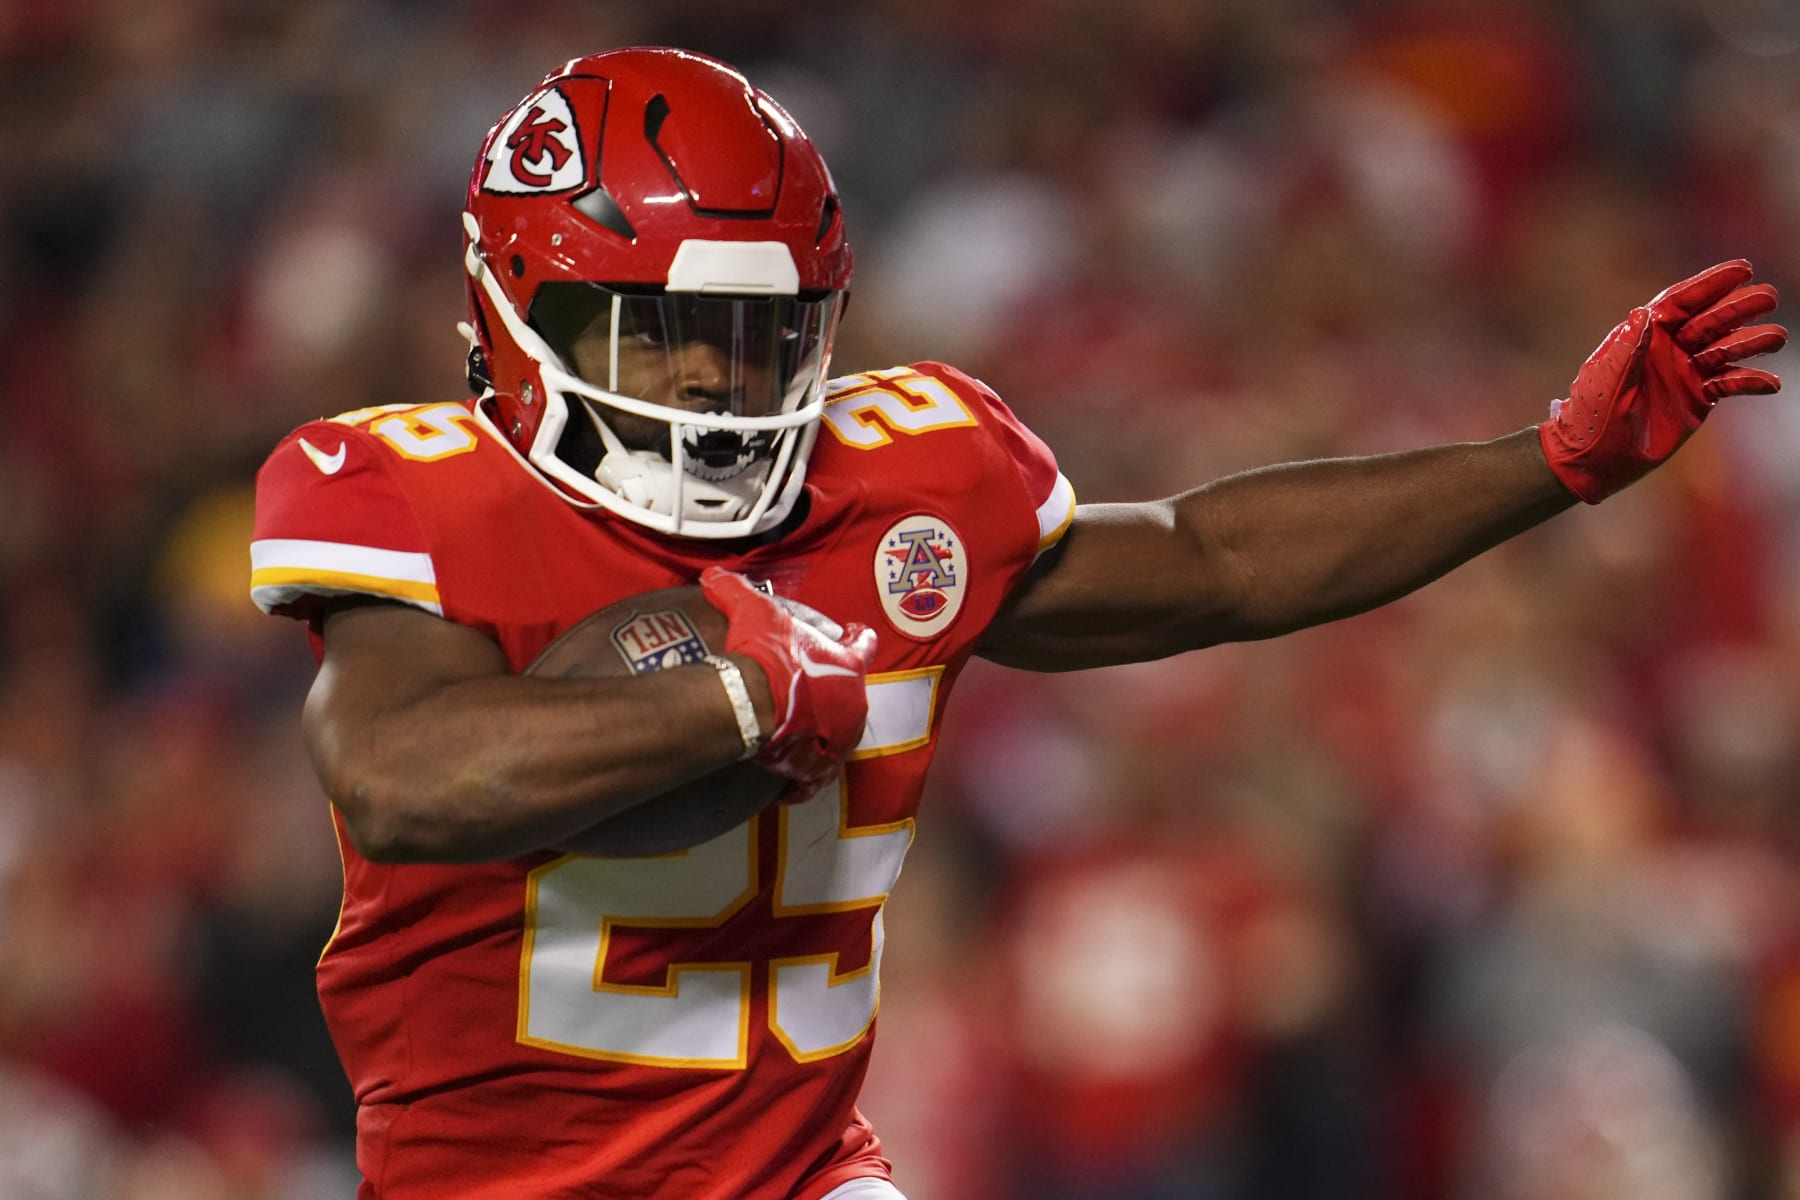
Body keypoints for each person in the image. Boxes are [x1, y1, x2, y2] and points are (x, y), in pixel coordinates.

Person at [248, 46, 1786, 1200]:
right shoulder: (399, 486)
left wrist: (1550, 463)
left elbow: (1214, 562)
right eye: (663, 333)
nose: (720, 379)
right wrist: (734, 703)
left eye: (758, 330)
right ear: (526, 315)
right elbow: (399, 773)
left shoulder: (909, 473)